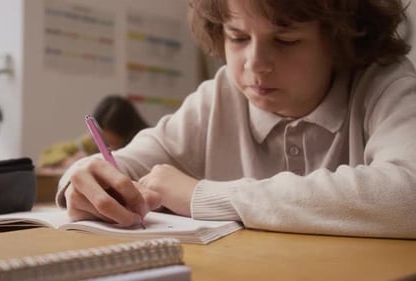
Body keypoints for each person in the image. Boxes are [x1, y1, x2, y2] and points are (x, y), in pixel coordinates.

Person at [56, 0, 416, 238]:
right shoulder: (220, 96)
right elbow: (130, 161)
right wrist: (83, 180)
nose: (254, 63)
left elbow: (408, 195)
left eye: (287, 40)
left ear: (341, 39)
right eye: (238, 36)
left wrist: (206, 196)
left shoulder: (386, 84)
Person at [39, 95, 148, 172]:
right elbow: (47, 154)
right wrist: (68, 161)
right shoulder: (91, 142)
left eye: (110, 142)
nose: (102, 144)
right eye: (99, 136)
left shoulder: (144, 142)